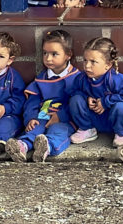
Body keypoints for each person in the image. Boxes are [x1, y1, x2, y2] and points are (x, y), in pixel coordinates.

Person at [10, 29, 80, 162]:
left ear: (68, 54)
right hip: (42, 115)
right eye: (45, 53)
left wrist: (60, 116)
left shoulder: (77, 78)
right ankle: (22, 146)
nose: (48, 59)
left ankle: (47, 147)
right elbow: (32, 101)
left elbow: (76, 103)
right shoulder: (42, 78)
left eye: (54, 54)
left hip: (64, 118)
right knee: (34, 128)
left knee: (58, 131)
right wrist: (30, 118)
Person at [67, 37, 123, 146]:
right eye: (85, 60)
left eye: (93, 62)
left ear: (108, 65)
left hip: (115, 119)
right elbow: (73, 91)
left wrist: (106, 102)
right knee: (75, 99)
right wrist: (86, 99)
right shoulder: (81, 78)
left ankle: (121, 134)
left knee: (122, 107)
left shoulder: (117, 80)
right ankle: (87, 129)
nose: (87, 66)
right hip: (96, 120)